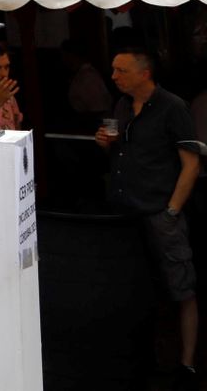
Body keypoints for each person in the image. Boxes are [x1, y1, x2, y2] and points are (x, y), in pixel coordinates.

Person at [96, 48, 200, 388]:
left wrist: (172, 210)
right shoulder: (123, 105)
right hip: (125, 213)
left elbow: (191, 165)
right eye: (113, 69)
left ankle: (186, 364)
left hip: (159, 212)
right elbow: (126, 150)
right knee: (135, 287)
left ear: (144, 74)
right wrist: (106, 144)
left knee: (180, 286)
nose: (113, 76)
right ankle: (143, 356)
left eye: (120, 70)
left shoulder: (173, 107)